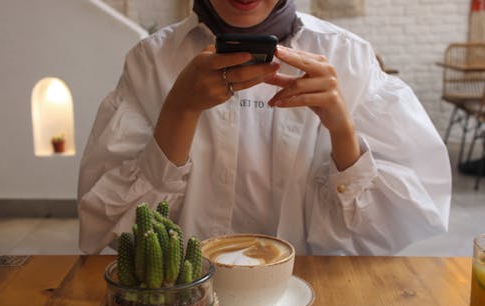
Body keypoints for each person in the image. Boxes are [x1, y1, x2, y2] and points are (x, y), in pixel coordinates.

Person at [77, 0, 451, 255]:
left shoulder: (347, 57)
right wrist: (180, 108)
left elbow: (390, 224)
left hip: (311, 299)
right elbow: (116, 229)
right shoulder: (153, 61)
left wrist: (342, 129)